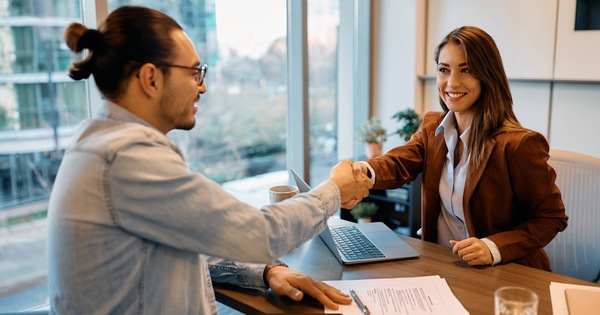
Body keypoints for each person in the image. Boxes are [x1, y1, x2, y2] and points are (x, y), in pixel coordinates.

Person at [47, 6, 372, 314]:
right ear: (151, 78)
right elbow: (262, 233)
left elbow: (190, 235)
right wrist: (335, 191)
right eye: (194, 72)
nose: (202, 86)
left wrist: (266, 271)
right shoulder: (127, 157)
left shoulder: (99, 142)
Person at [354, 26, 568, 271]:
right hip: (446, 267)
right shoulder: (433, 128)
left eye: (466, 70)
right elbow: (398, 163)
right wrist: (360, 171)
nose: (451, 82)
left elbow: (551, 217)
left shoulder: (519, 144)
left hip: (507, 274)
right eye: (444, 70)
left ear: (487, 75)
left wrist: (492, 247)